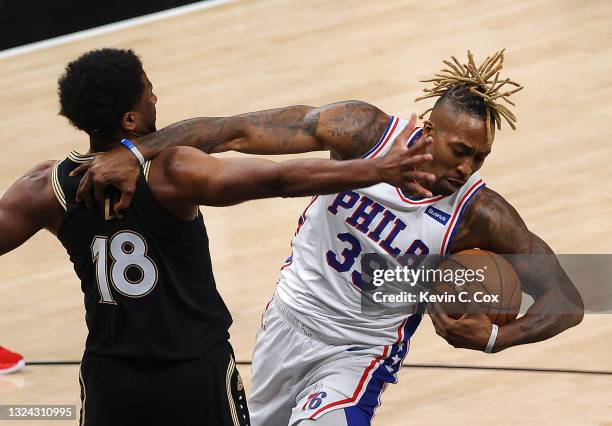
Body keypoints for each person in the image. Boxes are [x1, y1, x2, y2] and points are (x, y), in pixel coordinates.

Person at [75, 50, 584, 426]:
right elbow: (232, 131)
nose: (466, 166)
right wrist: (139, 152)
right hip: (287, 322)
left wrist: (498, 337)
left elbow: (569, 297)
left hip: (358, 353)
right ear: (429, 129)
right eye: (460, 150)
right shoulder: (361, 131)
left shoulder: (481, 214)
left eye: (480, 157)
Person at [0, 48, 435, 426]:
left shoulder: (45, 187)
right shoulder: (173, 170)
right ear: (131, 117)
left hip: (110, 377)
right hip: (193, 372)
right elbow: (277, 179)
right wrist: (377, 170)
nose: (155, 96)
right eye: (148, 91)